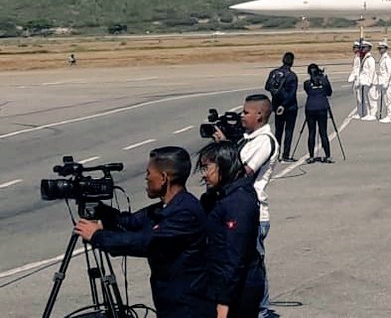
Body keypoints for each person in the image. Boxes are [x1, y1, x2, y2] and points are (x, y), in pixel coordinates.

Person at [74, 147, 209, 317]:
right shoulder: (165, 208)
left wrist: (96, 236)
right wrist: (101, 210)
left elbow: (146, 243)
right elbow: (129, 222)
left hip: (188, 307)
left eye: (148, 173)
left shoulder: (185, 213)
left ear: (163, 178)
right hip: (170, 302)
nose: (146, 178)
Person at [217, 94, 277, 318]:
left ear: (259, 115)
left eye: (246, 112)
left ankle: (261, 311)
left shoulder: (264, 141)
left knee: (253, 264)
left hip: (254, 212)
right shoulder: (248, 139)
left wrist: (224, 149)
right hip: (237, 210)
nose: (242, 116)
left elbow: (243, 173)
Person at [196, 142, 266, 318]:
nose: (204, 175)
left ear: (224, 165)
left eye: (206, 168)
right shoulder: (218, 196)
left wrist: (224, 302)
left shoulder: (239, 202)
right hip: (221, 284)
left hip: (239, 290)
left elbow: (235, 257)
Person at [265, 52, 298, 162]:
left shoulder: (274, 73)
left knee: (278, 131)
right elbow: (292, 94)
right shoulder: (292, 76)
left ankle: (276, 154)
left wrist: (276, 95)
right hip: (289, 107)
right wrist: (284, 105)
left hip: (277, 104)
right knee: (288, 131)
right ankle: (285, 155)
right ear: (292, 62)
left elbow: (267, 86)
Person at [303, 63, 334, 164]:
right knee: (323, 132)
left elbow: (308, 91)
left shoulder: (307, 83)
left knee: (311, 132)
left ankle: (311, 156)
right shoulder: (324, 81)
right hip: (322, 107)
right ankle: (328, 155)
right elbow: (329, 92)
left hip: (310, 108)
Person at [374, 41, 391, 123]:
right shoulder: (382, 58)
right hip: (383, 81)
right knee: (386, 99)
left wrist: (386, 82)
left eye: (381, 48)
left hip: (388, 82)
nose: (380, 50)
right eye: (379, 48)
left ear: (385, 49)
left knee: (389, 100)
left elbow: (389, 72)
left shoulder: (387, 59)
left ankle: (390, 116)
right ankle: (388, 115)